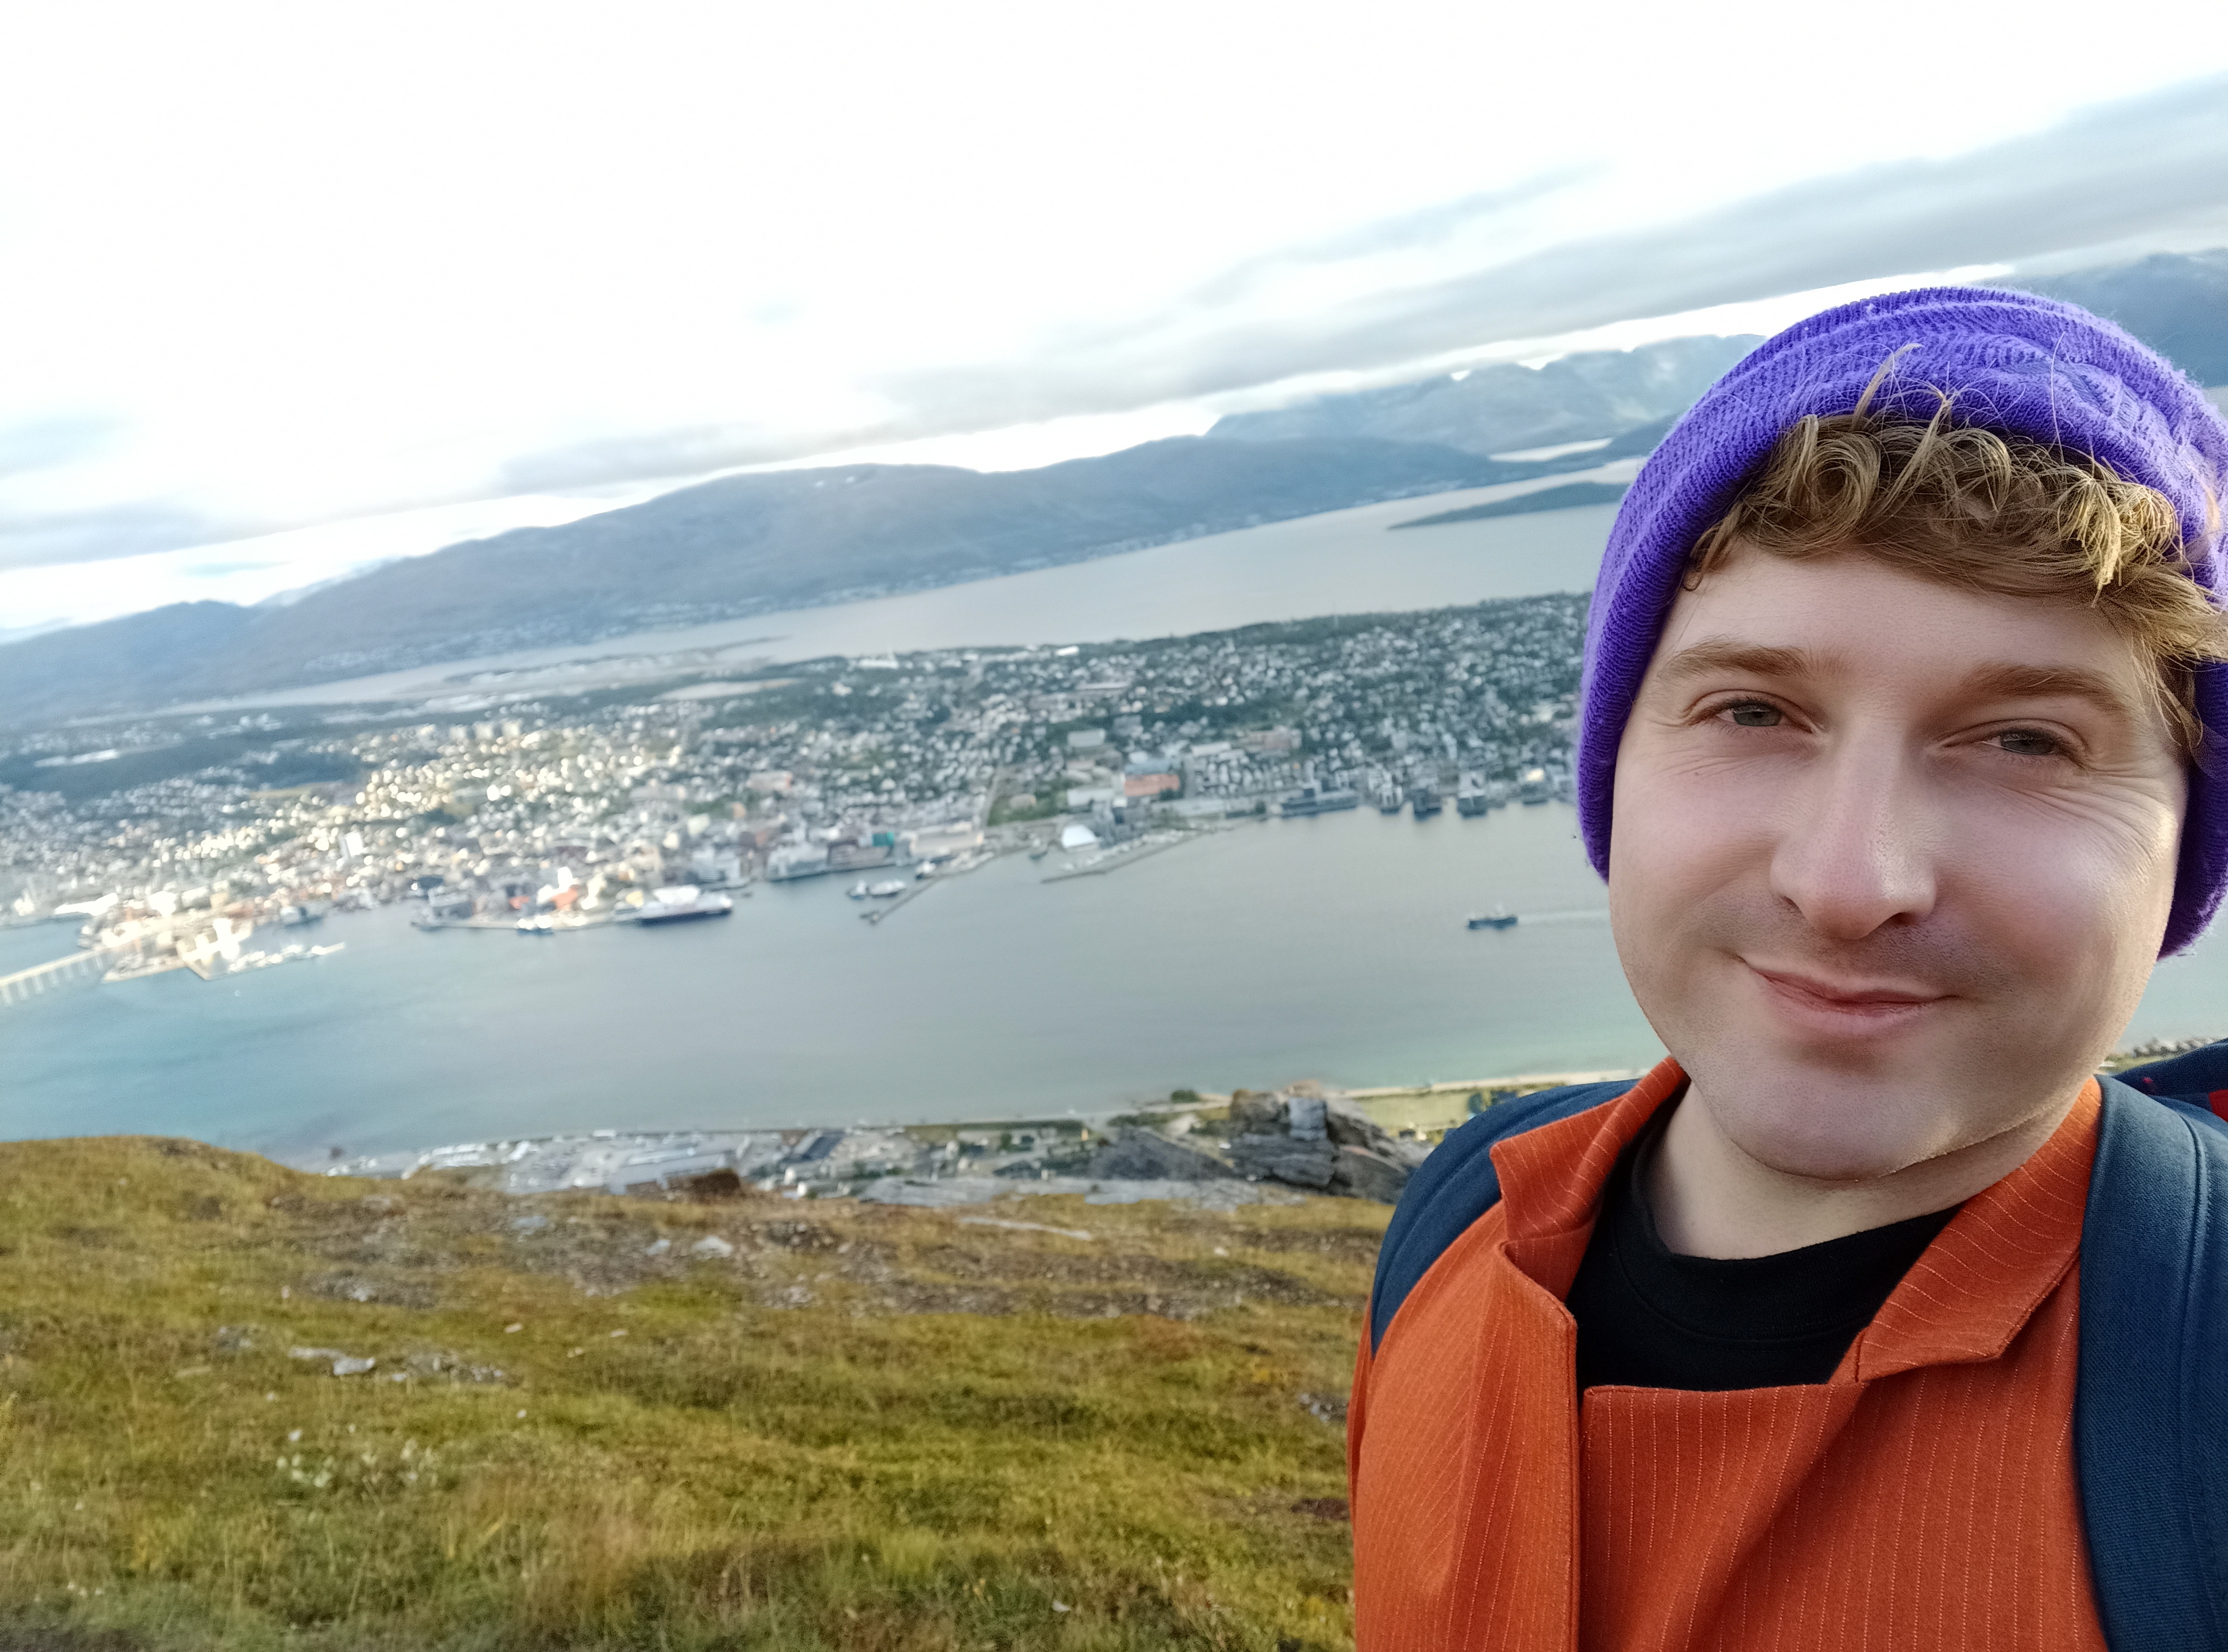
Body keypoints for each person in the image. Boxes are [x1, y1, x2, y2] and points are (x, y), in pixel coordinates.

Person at [1346, 288, 2228, 1652]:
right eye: (1752, 710)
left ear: (2184, 844)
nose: (1849, 882)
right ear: (1614, 770)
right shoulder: (1454, 1225)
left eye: (2027, 742)